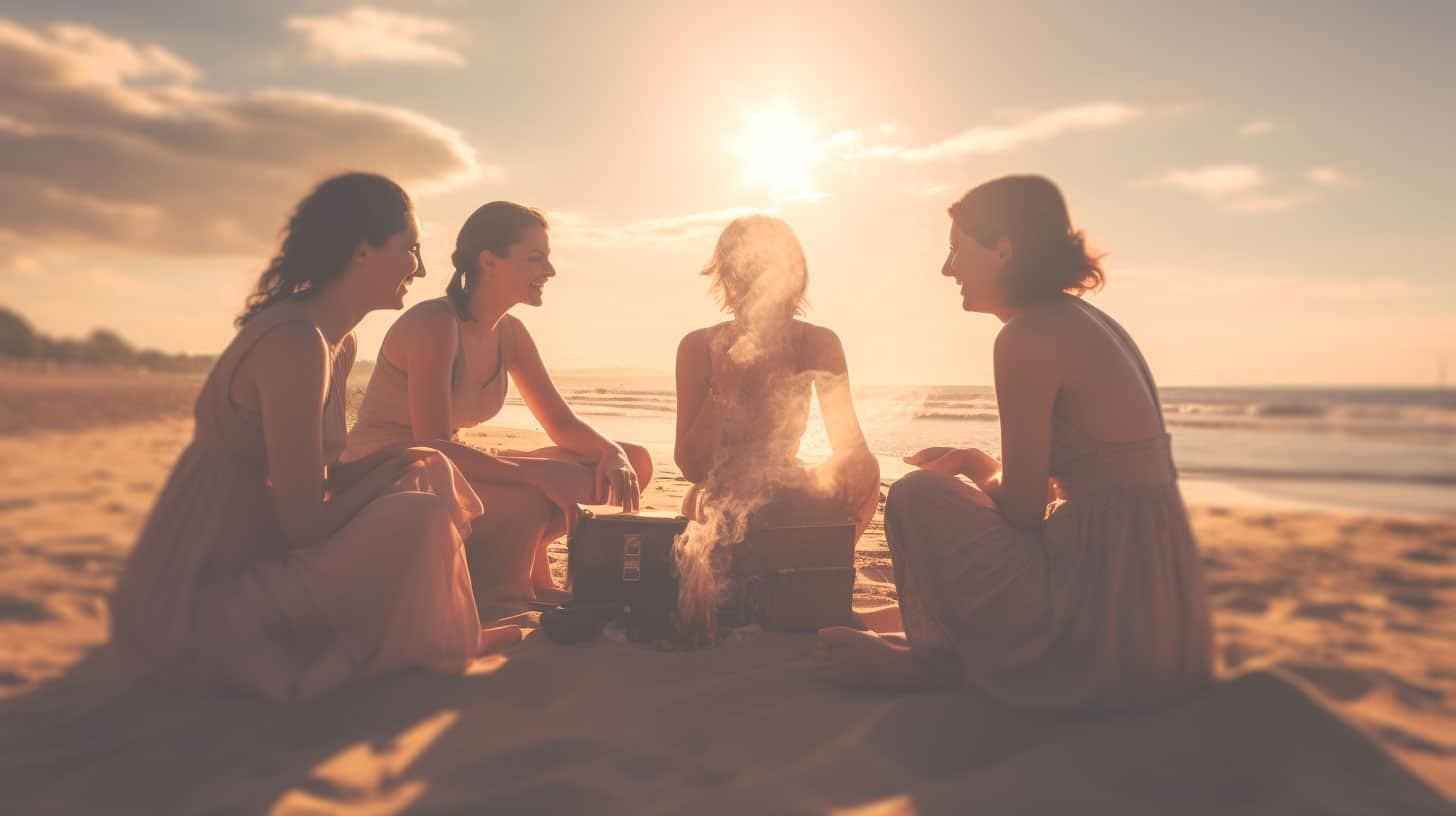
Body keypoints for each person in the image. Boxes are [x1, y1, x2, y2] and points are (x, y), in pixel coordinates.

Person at [109, 173, 520, 702]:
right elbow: (304, 524)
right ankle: (435, 640)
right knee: (416, 514)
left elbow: (313, 478)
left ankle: (441, 635)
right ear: (362, 252)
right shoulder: (296, 343)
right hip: (209, 576)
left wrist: (399, 459)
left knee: (421, 475)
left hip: (258, 538)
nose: (418, 269)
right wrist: (389, 474)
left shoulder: (336, 342)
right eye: (410, 249)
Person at [815, 176, 1214, 710]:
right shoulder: (1088, 320)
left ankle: (926, 663)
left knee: (916, 496)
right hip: (1161, 614)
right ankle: (915, 634)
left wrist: (975, 467)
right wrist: (977, 464)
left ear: (1004, 247)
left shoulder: (1026, 336)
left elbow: (1024, 510)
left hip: (1099, 618)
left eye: (957, 248)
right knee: (948, 503)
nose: (947, 267)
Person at [343, 202, 652, 608]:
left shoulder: (511, 334)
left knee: (635, 462)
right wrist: (535, 474)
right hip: (393, 473)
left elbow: (560, 422)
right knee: (534, 491)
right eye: (535, 258)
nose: (550, 271)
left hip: (450, 463)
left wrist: (610, 452)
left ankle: (524, 564)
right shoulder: (434, 324)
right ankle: (508, 587)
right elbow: (431, 444)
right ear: (489, 261)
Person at [674, 214, 880, 541]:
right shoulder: (699, 347)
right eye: (746, 270)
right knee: (726, 501)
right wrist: (723, 388)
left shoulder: (817, 343)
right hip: (716, 489)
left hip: (787, 480)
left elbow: (850, 448)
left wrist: (846, 471)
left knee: (867, 472)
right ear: (729, 275)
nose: (756, 284)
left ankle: (829, 570)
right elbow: (691, 466)